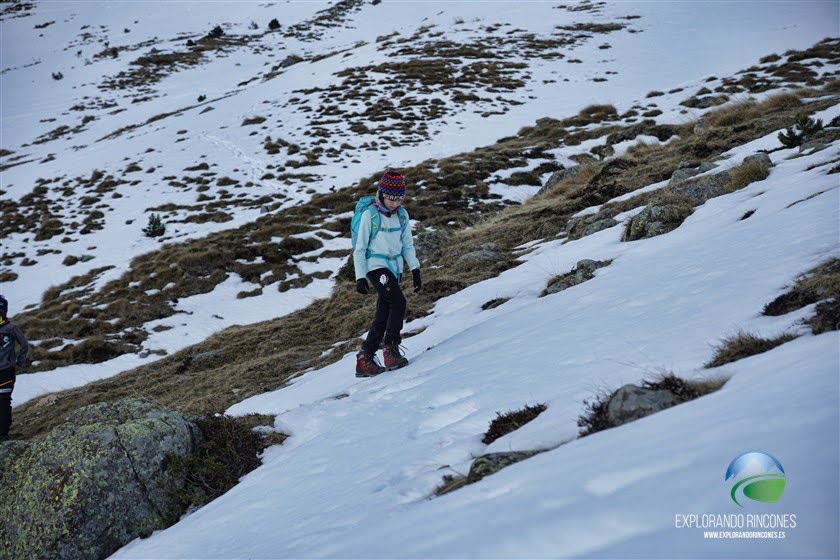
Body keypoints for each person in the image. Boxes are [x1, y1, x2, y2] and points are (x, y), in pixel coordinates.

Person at [353, 170, 422, 377]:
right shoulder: (369, 215)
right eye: (391, 199)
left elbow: (407, 246)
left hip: (394, 268)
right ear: (382, 194)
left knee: (383, 314)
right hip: (375, 266)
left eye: (399, 198)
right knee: (398, 302)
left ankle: (365, 358)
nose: (394, 203)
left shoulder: (402, 215)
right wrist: (360, 276)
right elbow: (360, 249)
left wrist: (416, 269)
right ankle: (390, 348)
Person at [0, 295, 29, 441]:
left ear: (4, 311)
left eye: (0, 310)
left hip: (6, 373)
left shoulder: (11, 328)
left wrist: (19, 362)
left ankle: (3, 434)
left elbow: (24, 344)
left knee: (4, 401)